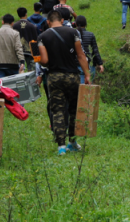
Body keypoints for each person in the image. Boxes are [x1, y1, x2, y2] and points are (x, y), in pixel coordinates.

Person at [37, 10, 91, 156]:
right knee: (73, 109)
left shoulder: (42, 36)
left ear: (48, 22)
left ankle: (61, 146)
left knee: (58, 111)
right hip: (72, 77)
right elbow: (80, 55)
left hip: (54, 77)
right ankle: (72, 142)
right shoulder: (73, 33)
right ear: (61, 21)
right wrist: (86, 74)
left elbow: (45, 61)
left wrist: (38, 59)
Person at [0, 14, 25, 79]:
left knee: (0, 86)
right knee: (12, 86)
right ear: (12, 23)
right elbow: (18, 48)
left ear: (2, 22)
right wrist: (22, 61)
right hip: (12, 65)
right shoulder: (15, 33)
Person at [75, 15, 104, 84]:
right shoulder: (90, 35)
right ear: (85, 24)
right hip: (90, 64)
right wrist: (100, 63)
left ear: (75, 24)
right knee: (89, 87)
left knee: (80, 87)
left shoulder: (74, 35)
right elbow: (95, 50)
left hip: (77, 64)